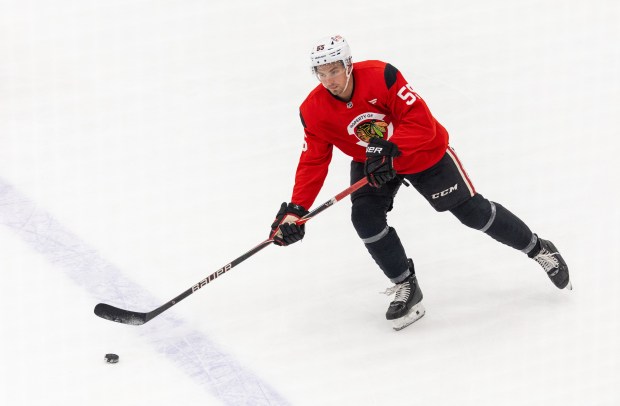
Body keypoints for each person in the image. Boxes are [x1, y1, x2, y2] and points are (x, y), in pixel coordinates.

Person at [269, 35, 571, 331]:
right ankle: (405, 285)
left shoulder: (381, 75)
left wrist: (390, 146)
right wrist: (296, 209)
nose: (329, 80)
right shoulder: (312, 110)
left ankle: (539, 249)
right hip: (373, 164)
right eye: (321, 73)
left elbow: (421, 120)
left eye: (334, 70)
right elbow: (313, 161)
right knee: (365, 218)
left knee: (472, 213)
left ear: (349, 64)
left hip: (421, 153)